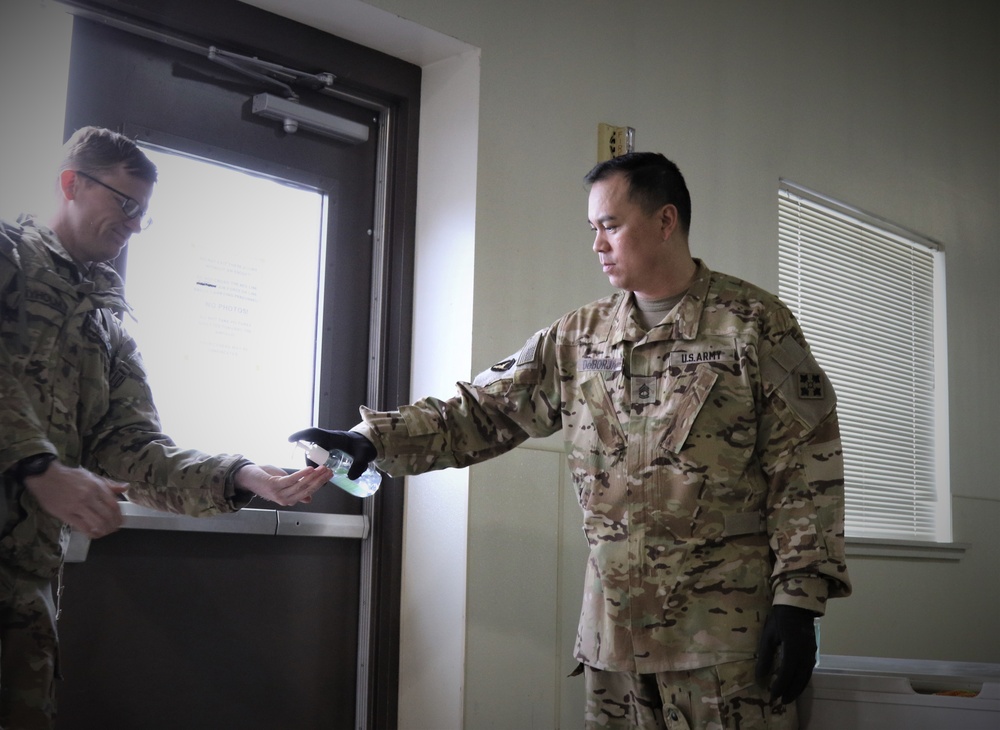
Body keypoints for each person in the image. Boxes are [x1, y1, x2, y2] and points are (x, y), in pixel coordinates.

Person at [291, 151, 852, 730]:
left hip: (723, 640)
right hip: (614, 637)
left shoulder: (752, 324)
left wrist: (798, 599)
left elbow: (805, 463)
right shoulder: (580, 337)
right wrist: (371, 440)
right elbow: (481, 412)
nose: (598, 245)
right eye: (593, 229)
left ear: (665, 221)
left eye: (611, 225)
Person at [0, 126, 332, 729]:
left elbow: (133, 449)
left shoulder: (107, 323)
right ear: (71, 183)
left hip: (26, 582)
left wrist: (244, 477)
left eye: (143, 214)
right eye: (124, 204)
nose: (132, 224)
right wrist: (37, 466)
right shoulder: (8, 257)